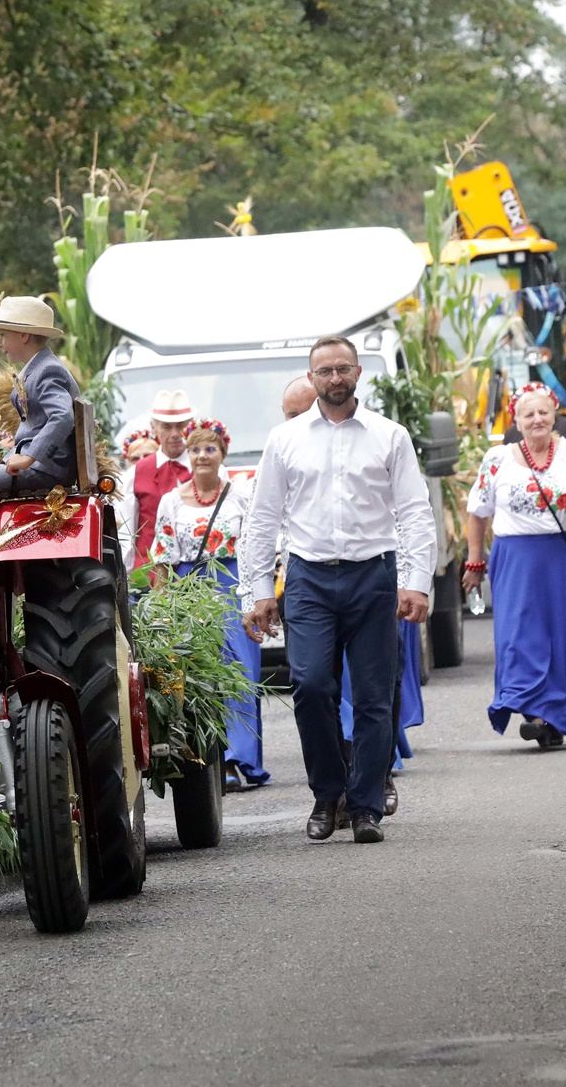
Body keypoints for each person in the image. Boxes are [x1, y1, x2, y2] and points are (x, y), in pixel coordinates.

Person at [239, 337, 436, 845]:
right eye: (324, 371)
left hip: (373, 575)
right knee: (309, 685)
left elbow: (415, 511)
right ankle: (328, 794)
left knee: (373, 696)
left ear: (357, 374)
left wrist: (416, 582)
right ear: (312, 377)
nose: (334, 378)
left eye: (342, 369)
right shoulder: (285, 440)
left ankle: (367, 805)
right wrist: (258, 590)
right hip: (308, 577)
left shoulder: (389, 436)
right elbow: (262, 518)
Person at [461, 384, 566, 749]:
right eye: (529, 414)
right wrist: (475, 561)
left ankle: (552, 718)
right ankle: (533, 709)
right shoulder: (497, 458)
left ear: (554, 413)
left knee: (558, 637)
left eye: (543, 412)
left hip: (559, 556)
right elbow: (477, 513)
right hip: (514, 559)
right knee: (517, 637)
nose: (537, 420)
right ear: (517, 420)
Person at [149, 420, 268, 788]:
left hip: (233, 589)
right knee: (201, 676)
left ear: (222, 455)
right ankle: (208, 760)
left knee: (241, 675)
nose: (202, 456)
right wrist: (165, 605)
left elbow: (254, 547)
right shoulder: (171, 500)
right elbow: (163, 556)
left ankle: (238, 759)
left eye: (210, 449)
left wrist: (256, 594)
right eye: (196, 449)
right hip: (191, 591)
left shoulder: (241, 497)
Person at [0, 297, 77, 582]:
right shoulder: (37, 367)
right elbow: (39, 421)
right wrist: (18, 446)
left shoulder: (48, 370)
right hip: (35, 462)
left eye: (3, 335)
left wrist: (30, 455)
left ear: (23, 335)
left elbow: (62, 417)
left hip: (46, 468)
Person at [118, 390, 196, 570]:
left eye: (181, 426)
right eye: (167, 427)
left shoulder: (204, 468)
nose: (175, 433)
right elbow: (127, 530)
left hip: (196, 574)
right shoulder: (136, 472)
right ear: (154, 429)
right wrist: (127, 577)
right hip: (148, 574)